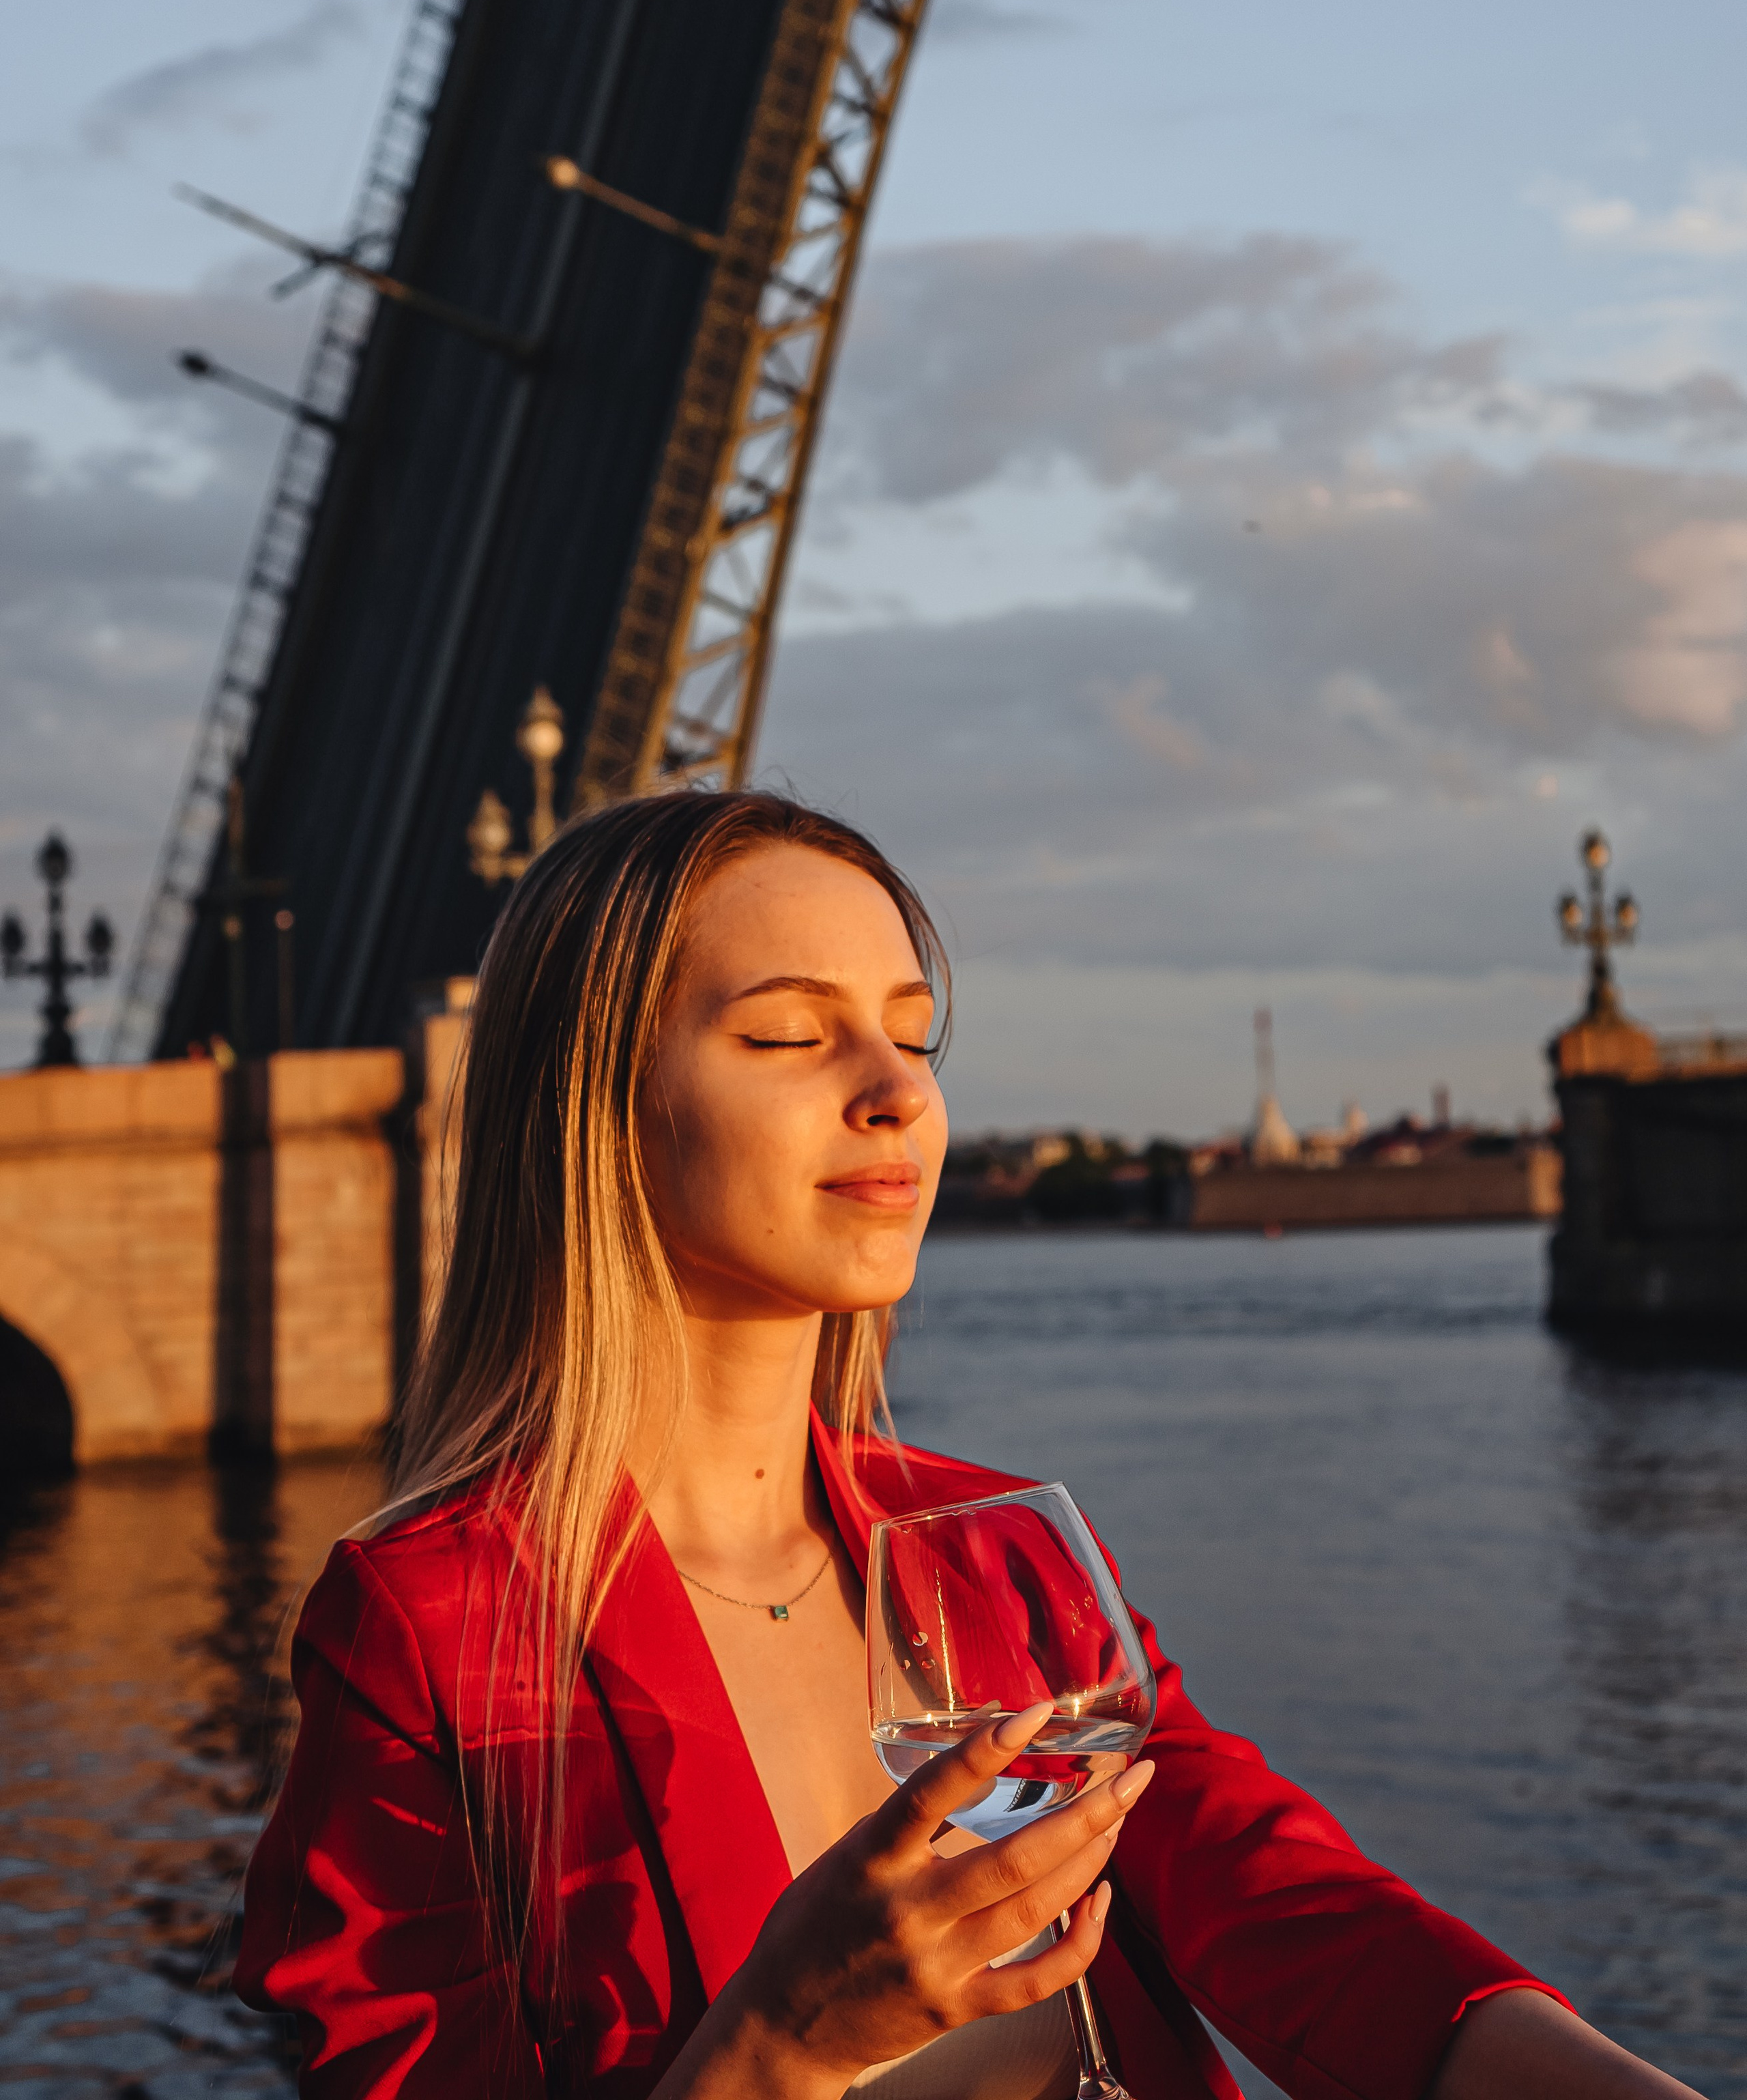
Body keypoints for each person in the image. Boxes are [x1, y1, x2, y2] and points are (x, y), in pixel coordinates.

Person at [237, 791, 1705, 2100]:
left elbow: (1289, 1911)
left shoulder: (1000, 1552)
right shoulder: (427, 1635)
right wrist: (785, 2043)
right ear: (596, 1109)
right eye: (788, 1038)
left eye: (912, 1034)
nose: (898, 1089)